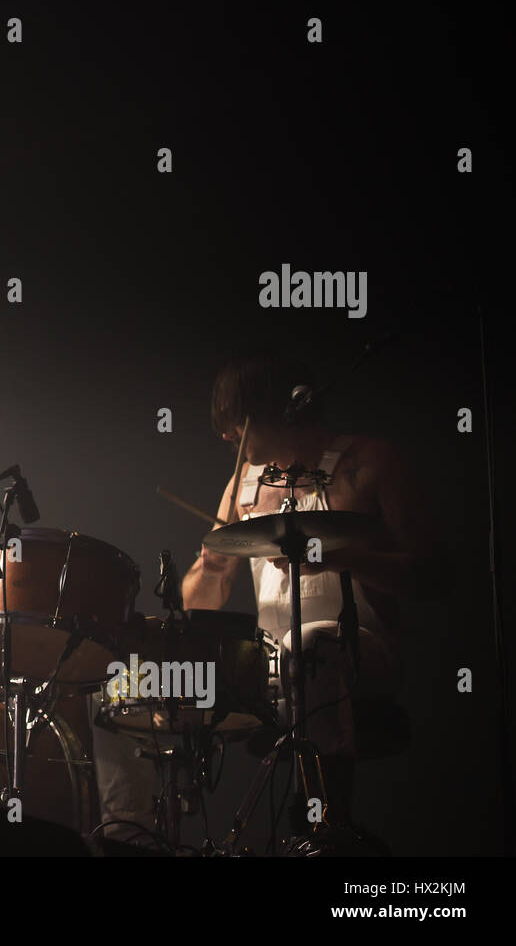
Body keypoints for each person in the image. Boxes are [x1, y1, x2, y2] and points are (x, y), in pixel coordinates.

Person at [179, 351, 432, 827]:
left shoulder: (368, 462)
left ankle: (323, 830)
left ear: (281, 409)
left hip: (361, 652)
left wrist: (334, 559)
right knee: (132, 684)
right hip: (267, 664)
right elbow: (199, 603)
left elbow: (433, 575)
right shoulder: (243, 486)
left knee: (309, 646)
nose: (225, 434)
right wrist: (211, 568)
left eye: (236, 419)